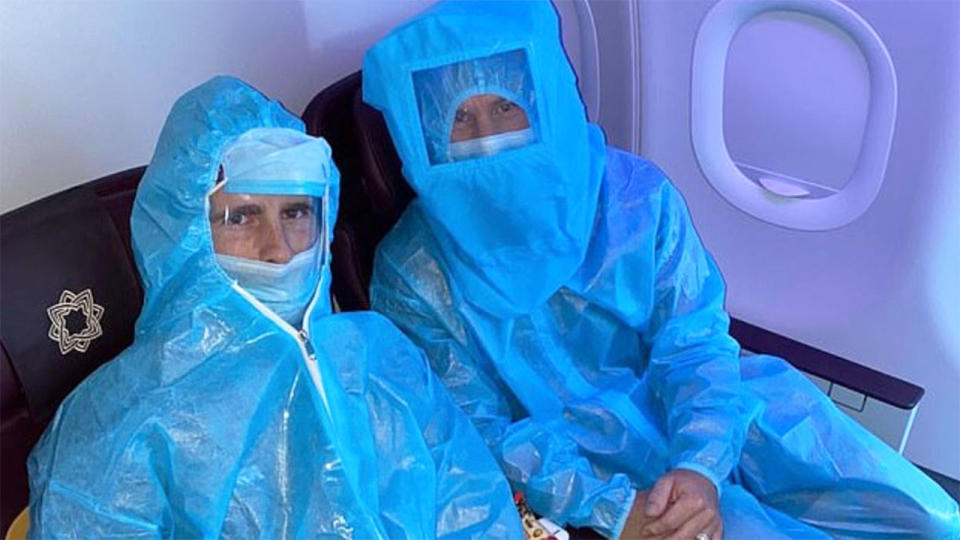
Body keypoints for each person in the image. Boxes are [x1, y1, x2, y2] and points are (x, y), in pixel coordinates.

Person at [361, 1, 960, 539]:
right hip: (582, 463)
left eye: (503, 106)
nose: (486, 137)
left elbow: (692, 338)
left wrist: (700, 462)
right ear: (423, 138)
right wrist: (614, 510)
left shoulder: (632, 199)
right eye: (458, 118)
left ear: (544, 100)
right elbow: (479, 427)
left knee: (927, 519)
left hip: (712, 402)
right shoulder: (412, 272)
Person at [27, 76, 524, 540]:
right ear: (186, 230)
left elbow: (471, 502)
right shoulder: (125, 421)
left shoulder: (377, 353)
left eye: (296, 213)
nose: (280, 249)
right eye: (241, 216)